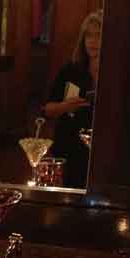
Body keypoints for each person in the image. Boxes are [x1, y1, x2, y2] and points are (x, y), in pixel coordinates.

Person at [43, 10, 101, 188]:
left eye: (98, 35)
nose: (92, 41)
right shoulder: (71, 70)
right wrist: (65, 106)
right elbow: (47, 110)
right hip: (69, 144)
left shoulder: (116, 72)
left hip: (101, 148)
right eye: (88, 36)